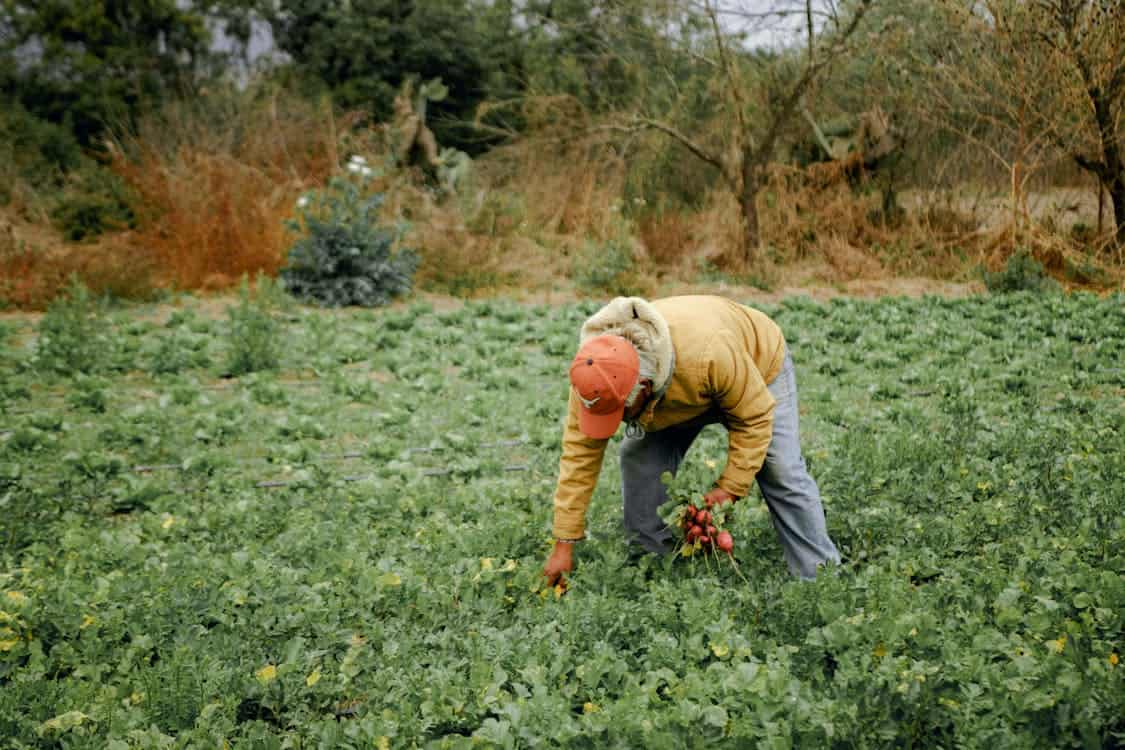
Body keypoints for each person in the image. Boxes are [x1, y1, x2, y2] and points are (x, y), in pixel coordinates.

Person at [542, 295, 840, 586]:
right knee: (640, 459)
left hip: (755, 366)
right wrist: (563, 542)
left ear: (644, 388)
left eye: (621, 412)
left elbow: (755, 418)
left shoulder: (708, 352)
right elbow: (579, 456)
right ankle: (652, 564)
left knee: (780, 470)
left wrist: (729, 489)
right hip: (679, 388)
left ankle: (820, 577)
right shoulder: (595, 378)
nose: (617, 420)